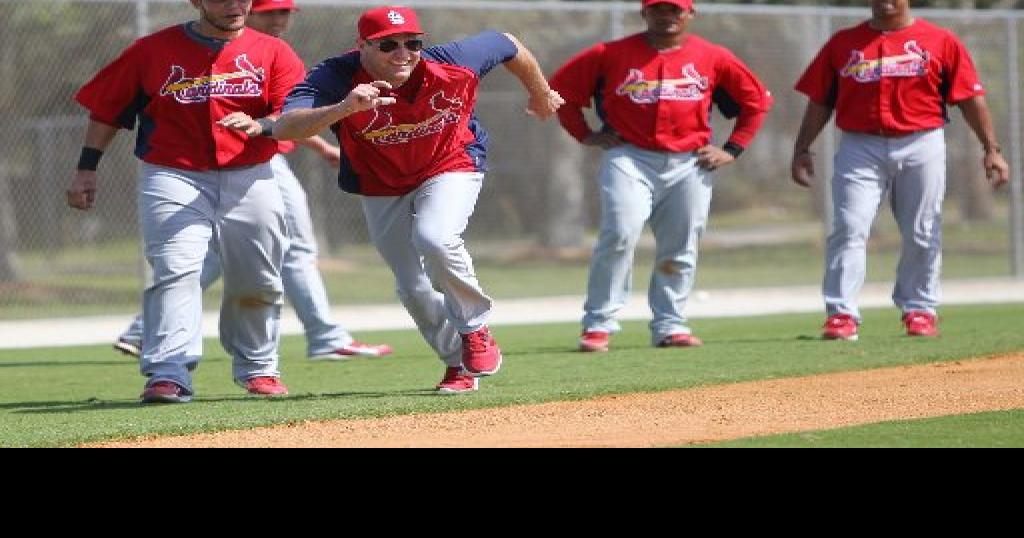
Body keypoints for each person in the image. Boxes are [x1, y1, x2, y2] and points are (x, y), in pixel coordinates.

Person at [224, 5, 564, 393]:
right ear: (362, 46)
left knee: (435, 237)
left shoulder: (454, 62)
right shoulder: (336, 76)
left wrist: (540, 92)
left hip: (450, 162)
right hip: (382, 183)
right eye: (388, 45)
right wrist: (344, 108)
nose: (402, 53)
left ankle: (474, 328)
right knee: (412, 287)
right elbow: (286, 124)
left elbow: (508, 43)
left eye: (412, 43)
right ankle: (458, 365)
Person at [113, 0, 394, 362]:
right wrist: (323, 147)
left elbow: (283, 115)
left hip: (258, 156)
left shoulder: (267, 51)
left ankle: (143, 329)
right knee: (289, 249)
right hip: (245, 161)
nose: (281, 18)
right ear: (252, 12)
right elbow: (271, 119)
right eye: (272, 11)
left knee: (230, 255)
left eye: (286, 12)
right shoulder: (227, 48)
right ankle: (325, 336)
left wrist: (321, 147)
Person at [68, 0, 306, 403]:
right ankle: (168, 371)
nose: (234, 5)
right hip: (173, 172)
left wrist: (263, 124)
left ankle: (259, 368)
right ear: (196, 2)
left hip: (250, 173)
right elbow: (107, 110)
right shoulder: (152, 50)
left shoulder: (273, 51)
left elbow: (295, 111)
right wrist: (86, 167)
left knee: (258, 275)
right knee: (176, 269)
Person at [549, 0, 772, 353]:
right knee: (619, 234)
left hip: (690, 161)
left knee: (681, 245)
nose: (666, 17)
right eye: (659, 10)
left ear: (690, 14)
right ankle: (598, 324)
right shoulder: (611, 53)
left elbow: (756, 102)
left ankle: (670, 325)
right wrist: (585, 134)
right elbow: (559, 90)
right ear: (645, 14)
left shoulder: (712, 56)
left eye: (675, 10)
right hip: (630, 156)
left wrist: (733, 149)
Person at [792, 0, 1010, 341]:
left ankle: (920, 309)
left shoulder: (940, 40)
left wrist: (991, 149)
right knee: (849, 226)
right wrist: (802, 148)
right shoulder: (843, 43)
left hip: (921, 140)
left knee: (922, 229)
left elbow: (970, 97)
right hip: (859, 144)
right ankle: (841, 314)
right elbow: (820, 99)